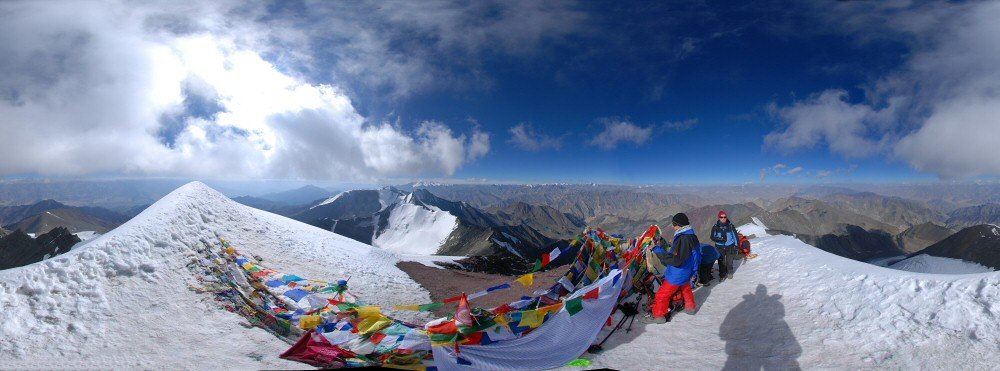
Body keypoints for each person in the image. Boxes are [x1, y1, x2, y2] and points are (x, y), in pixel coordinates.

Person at [640, 213, 699, 324]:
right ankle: (690, 308)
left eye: (674, 224)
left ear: (680, 225)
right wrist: (694, 272)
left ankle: (659, 316)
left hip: (677, 274)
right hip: (687, 271)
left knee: (662, 295)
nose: (672, 226)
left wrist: (656, 249)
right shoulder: (692, 236)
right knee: (685, 288)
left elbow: (675, 260)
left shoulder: (682, 239)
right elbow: (696, 255)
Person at [711, 210, 739, 281]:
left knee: (729, 261)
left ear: (726, 217)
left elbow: (735, 237)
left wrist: (736, 246)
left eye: (724, 217)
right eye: (721, 217)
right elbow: (712, 237)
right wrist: (720, 239)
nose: (723, 218)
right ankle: (722, 275)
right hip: (719, 247)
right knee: (721, 262)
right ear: (719, 217)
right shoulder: (715, 227)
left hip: (730, 246)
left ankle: (729, 272)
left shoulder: (730, 226)